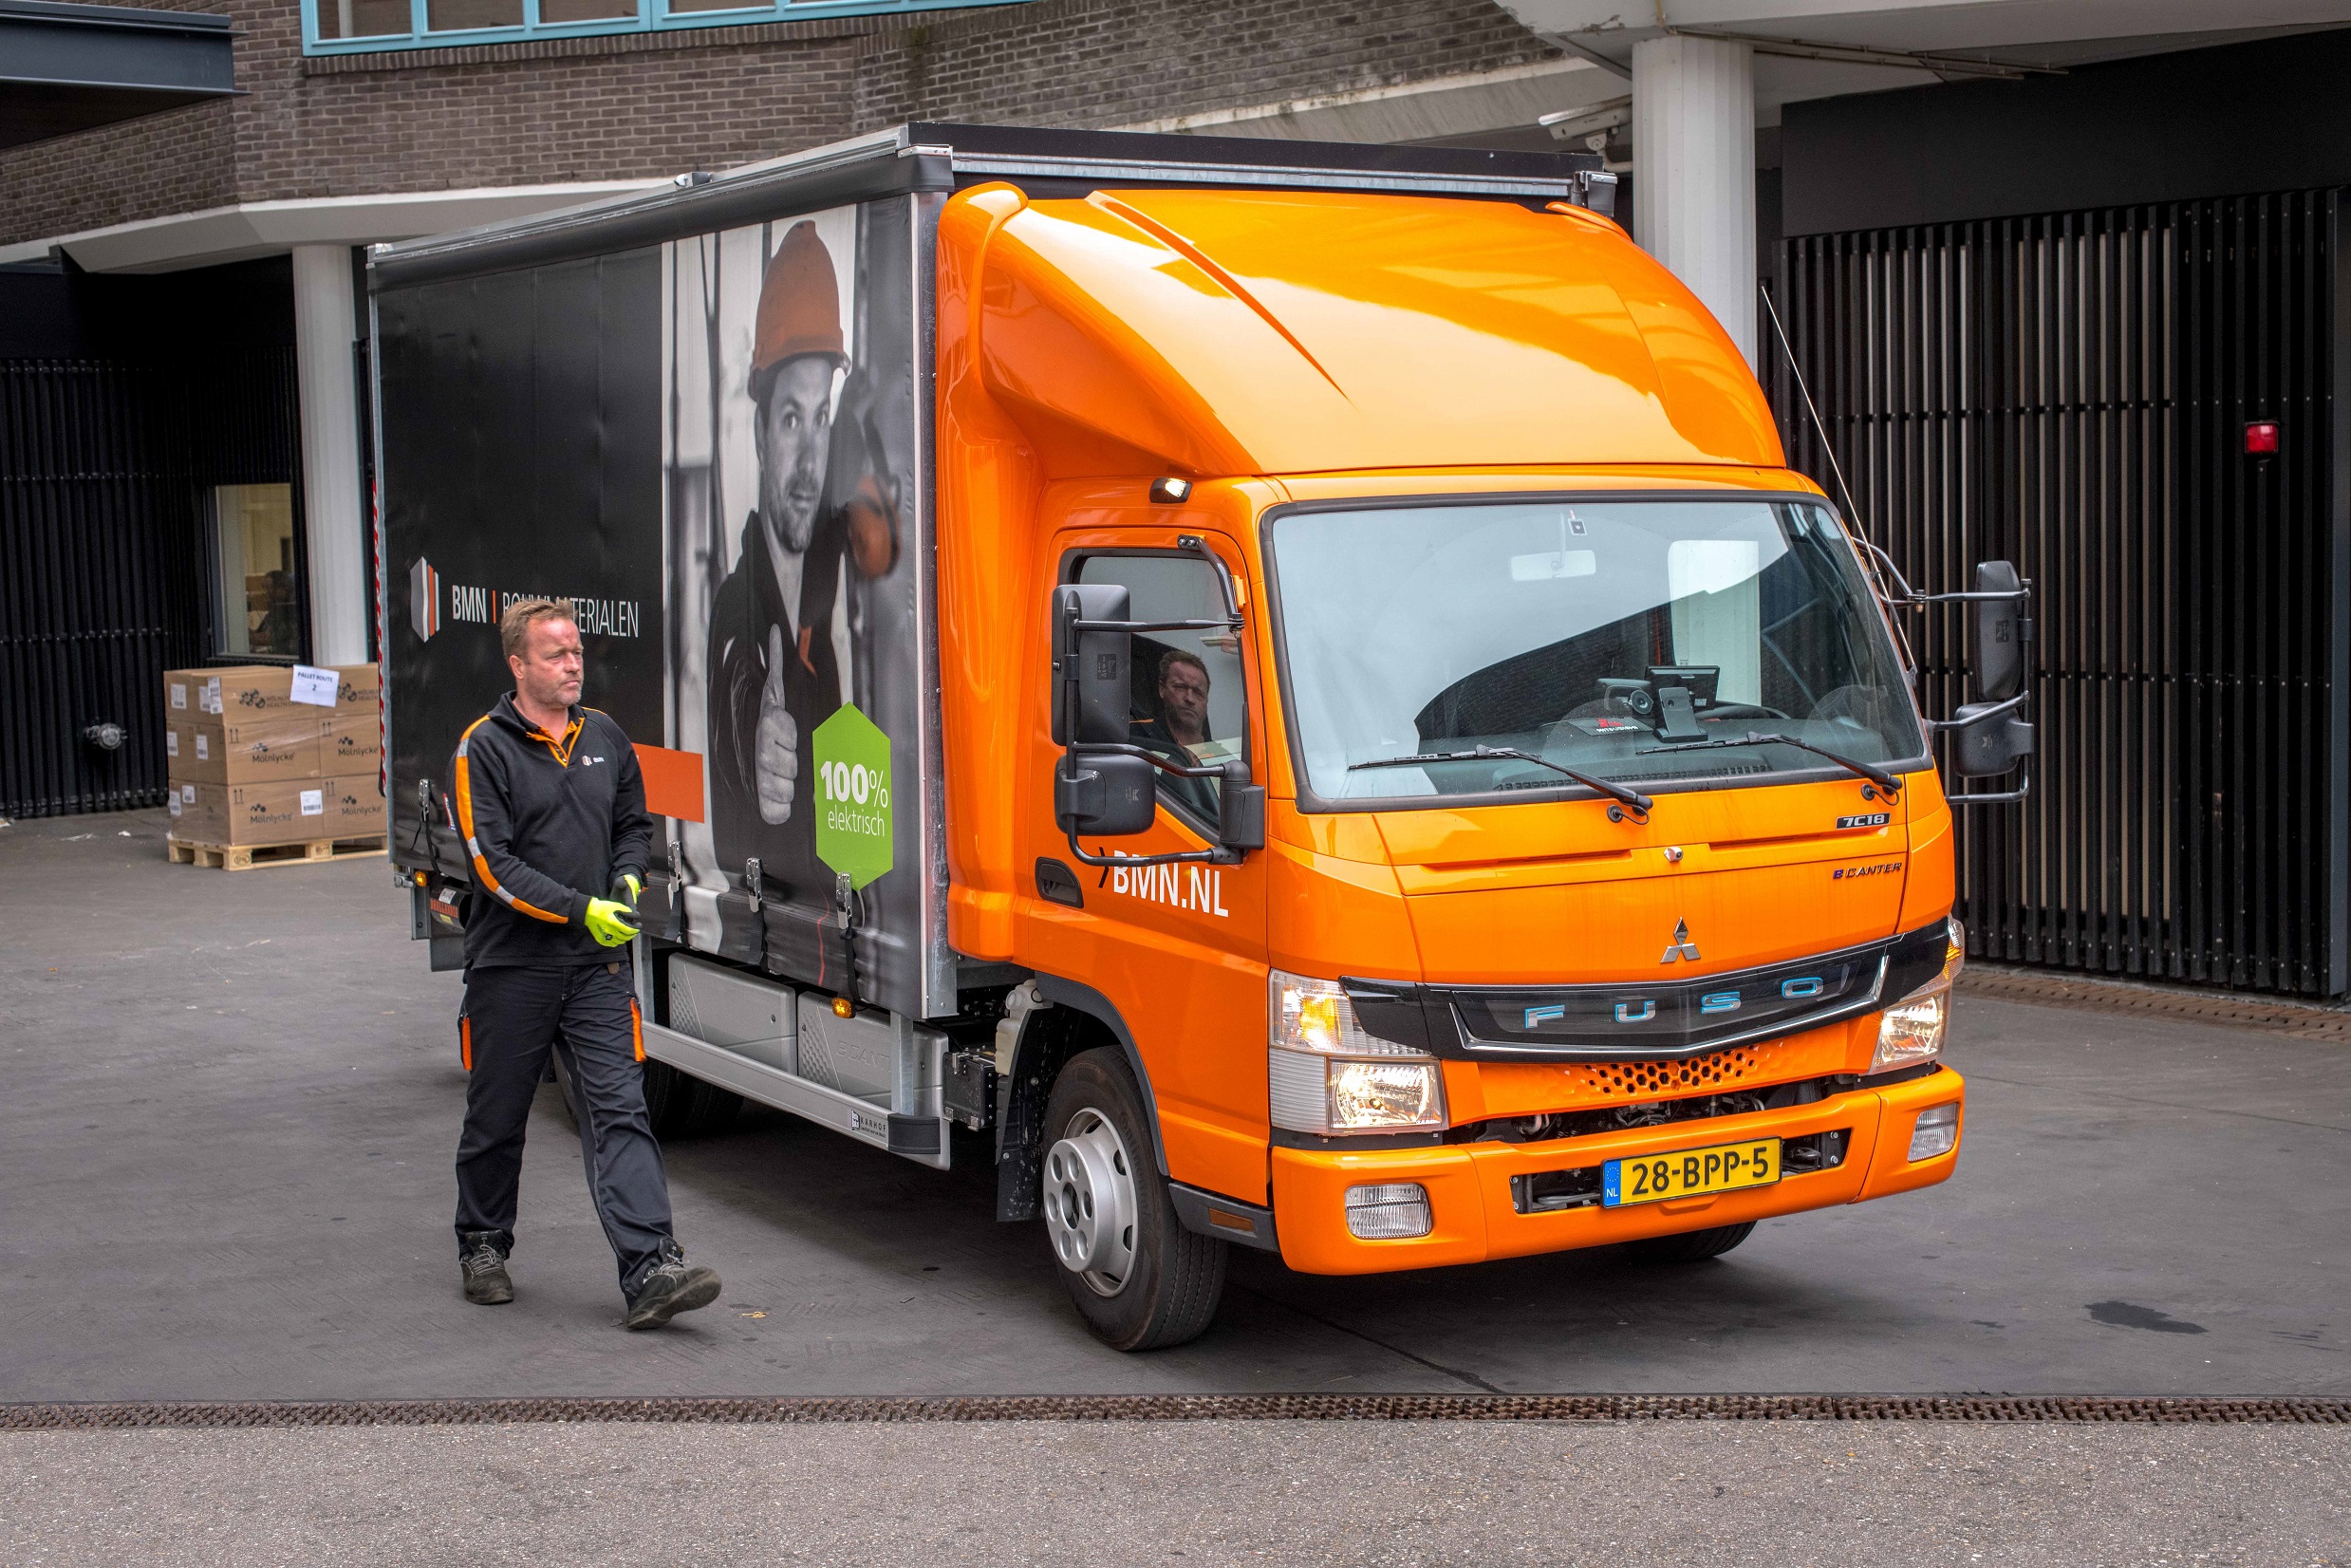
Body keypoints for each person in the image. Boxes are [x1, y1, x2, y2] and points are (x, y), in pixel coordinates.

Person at [446, 597, 721, 1331]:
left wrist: (627, 878)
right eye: (556, 655)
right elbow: (493, 867)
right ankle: (482, 1242)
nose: (574, 665)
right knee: (497, 1116)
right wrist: (580, 909)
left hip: (596, 970)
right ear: (518, 664)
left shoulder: (604, 735)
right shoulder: (482, 749)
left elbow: (633, 825)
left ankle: (651, 1268)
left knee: (621, 1111)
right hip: (512, 970)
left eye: (576, 651)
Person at [708, 220, 845, 905]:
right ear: (761, 433)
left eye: (820, 418)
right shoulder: (738, 606)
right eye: (792, 419)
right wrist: (757, 747)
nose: (811, 461)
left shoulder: (832, 599)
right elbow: (740, 683)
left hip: (833, 920)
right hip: (764, 927)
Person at [1129, 648, 1219, 820]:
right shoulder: (1134, 739)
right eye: (1180, 687)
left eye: (1198, 692)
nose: (1189, 698)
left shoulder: (1223, 758)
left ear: (1206, 700)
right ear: (1162, 689)